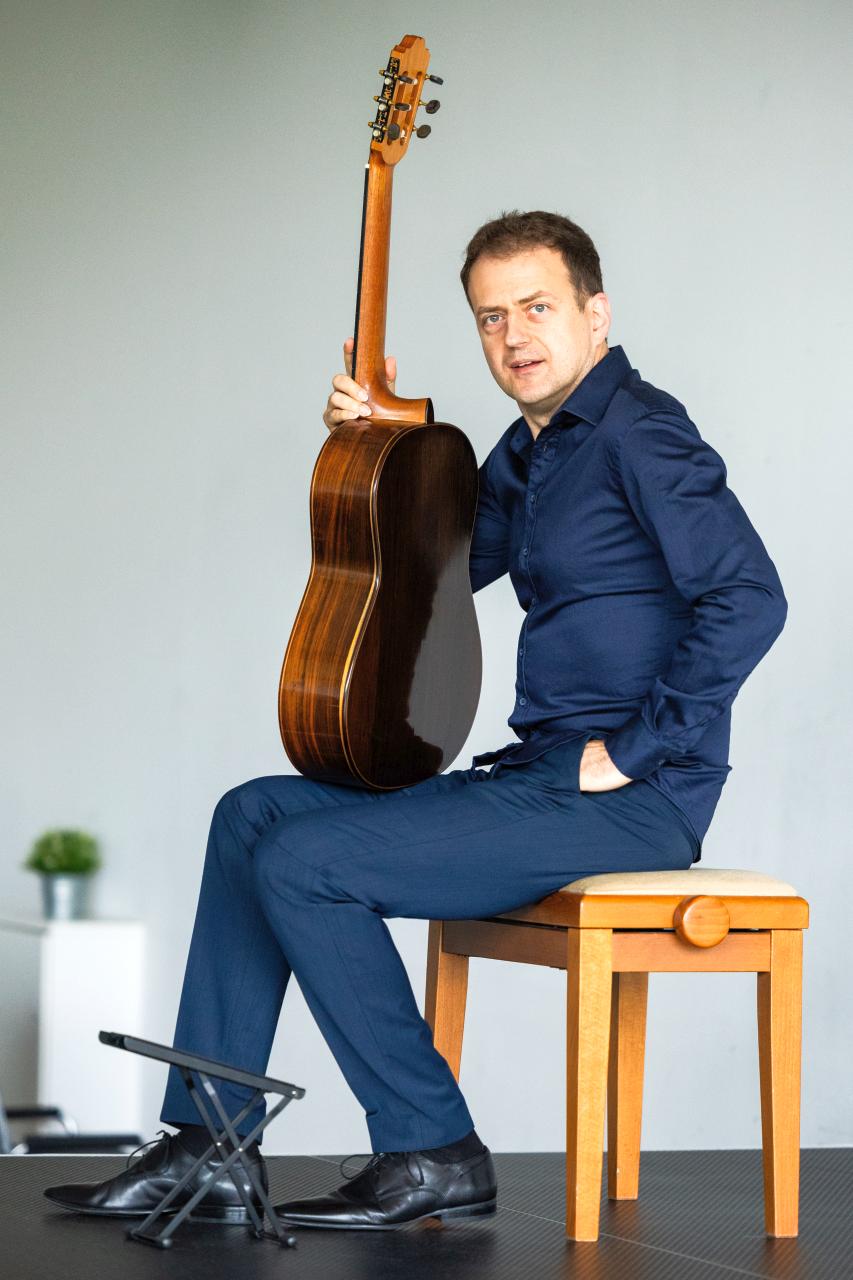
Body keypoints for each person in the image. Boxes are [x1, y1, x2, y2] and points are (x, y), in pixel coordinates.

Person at [43, 210, 787, 1231]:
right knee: (253, 815)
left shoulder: (640, 432)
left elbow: (749, 596)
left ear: (595, 313)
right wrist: (374, 440)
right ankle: (208, 1145)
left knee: (307, 862)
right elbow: (428, 566)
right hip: (536, 774)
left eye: (536, 306)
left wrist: (635, 750)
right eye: (490, 316)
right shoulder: (530, 452)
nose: (513, 335)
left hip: (630, 799)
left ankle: (432, 1145)